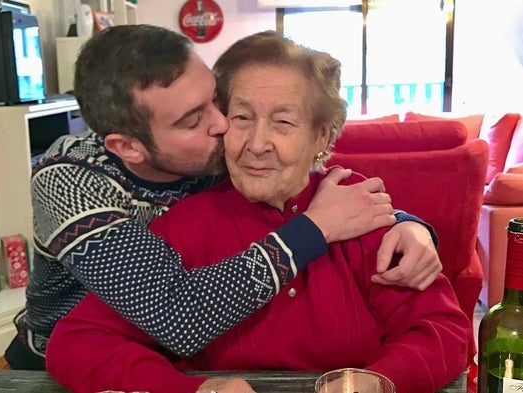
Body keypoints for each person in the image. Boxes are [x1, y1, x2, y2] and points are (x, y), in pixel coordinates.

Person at [45, 30, 471, 393]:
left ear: (321, 135)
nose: (256, 143)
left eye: (284, 123)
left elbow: (445, 332)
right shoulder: (175, 214)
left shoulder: (353, 209)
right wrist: (191, 389)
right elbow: (80, 340)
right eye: (242, 116)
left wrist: (376, 380)